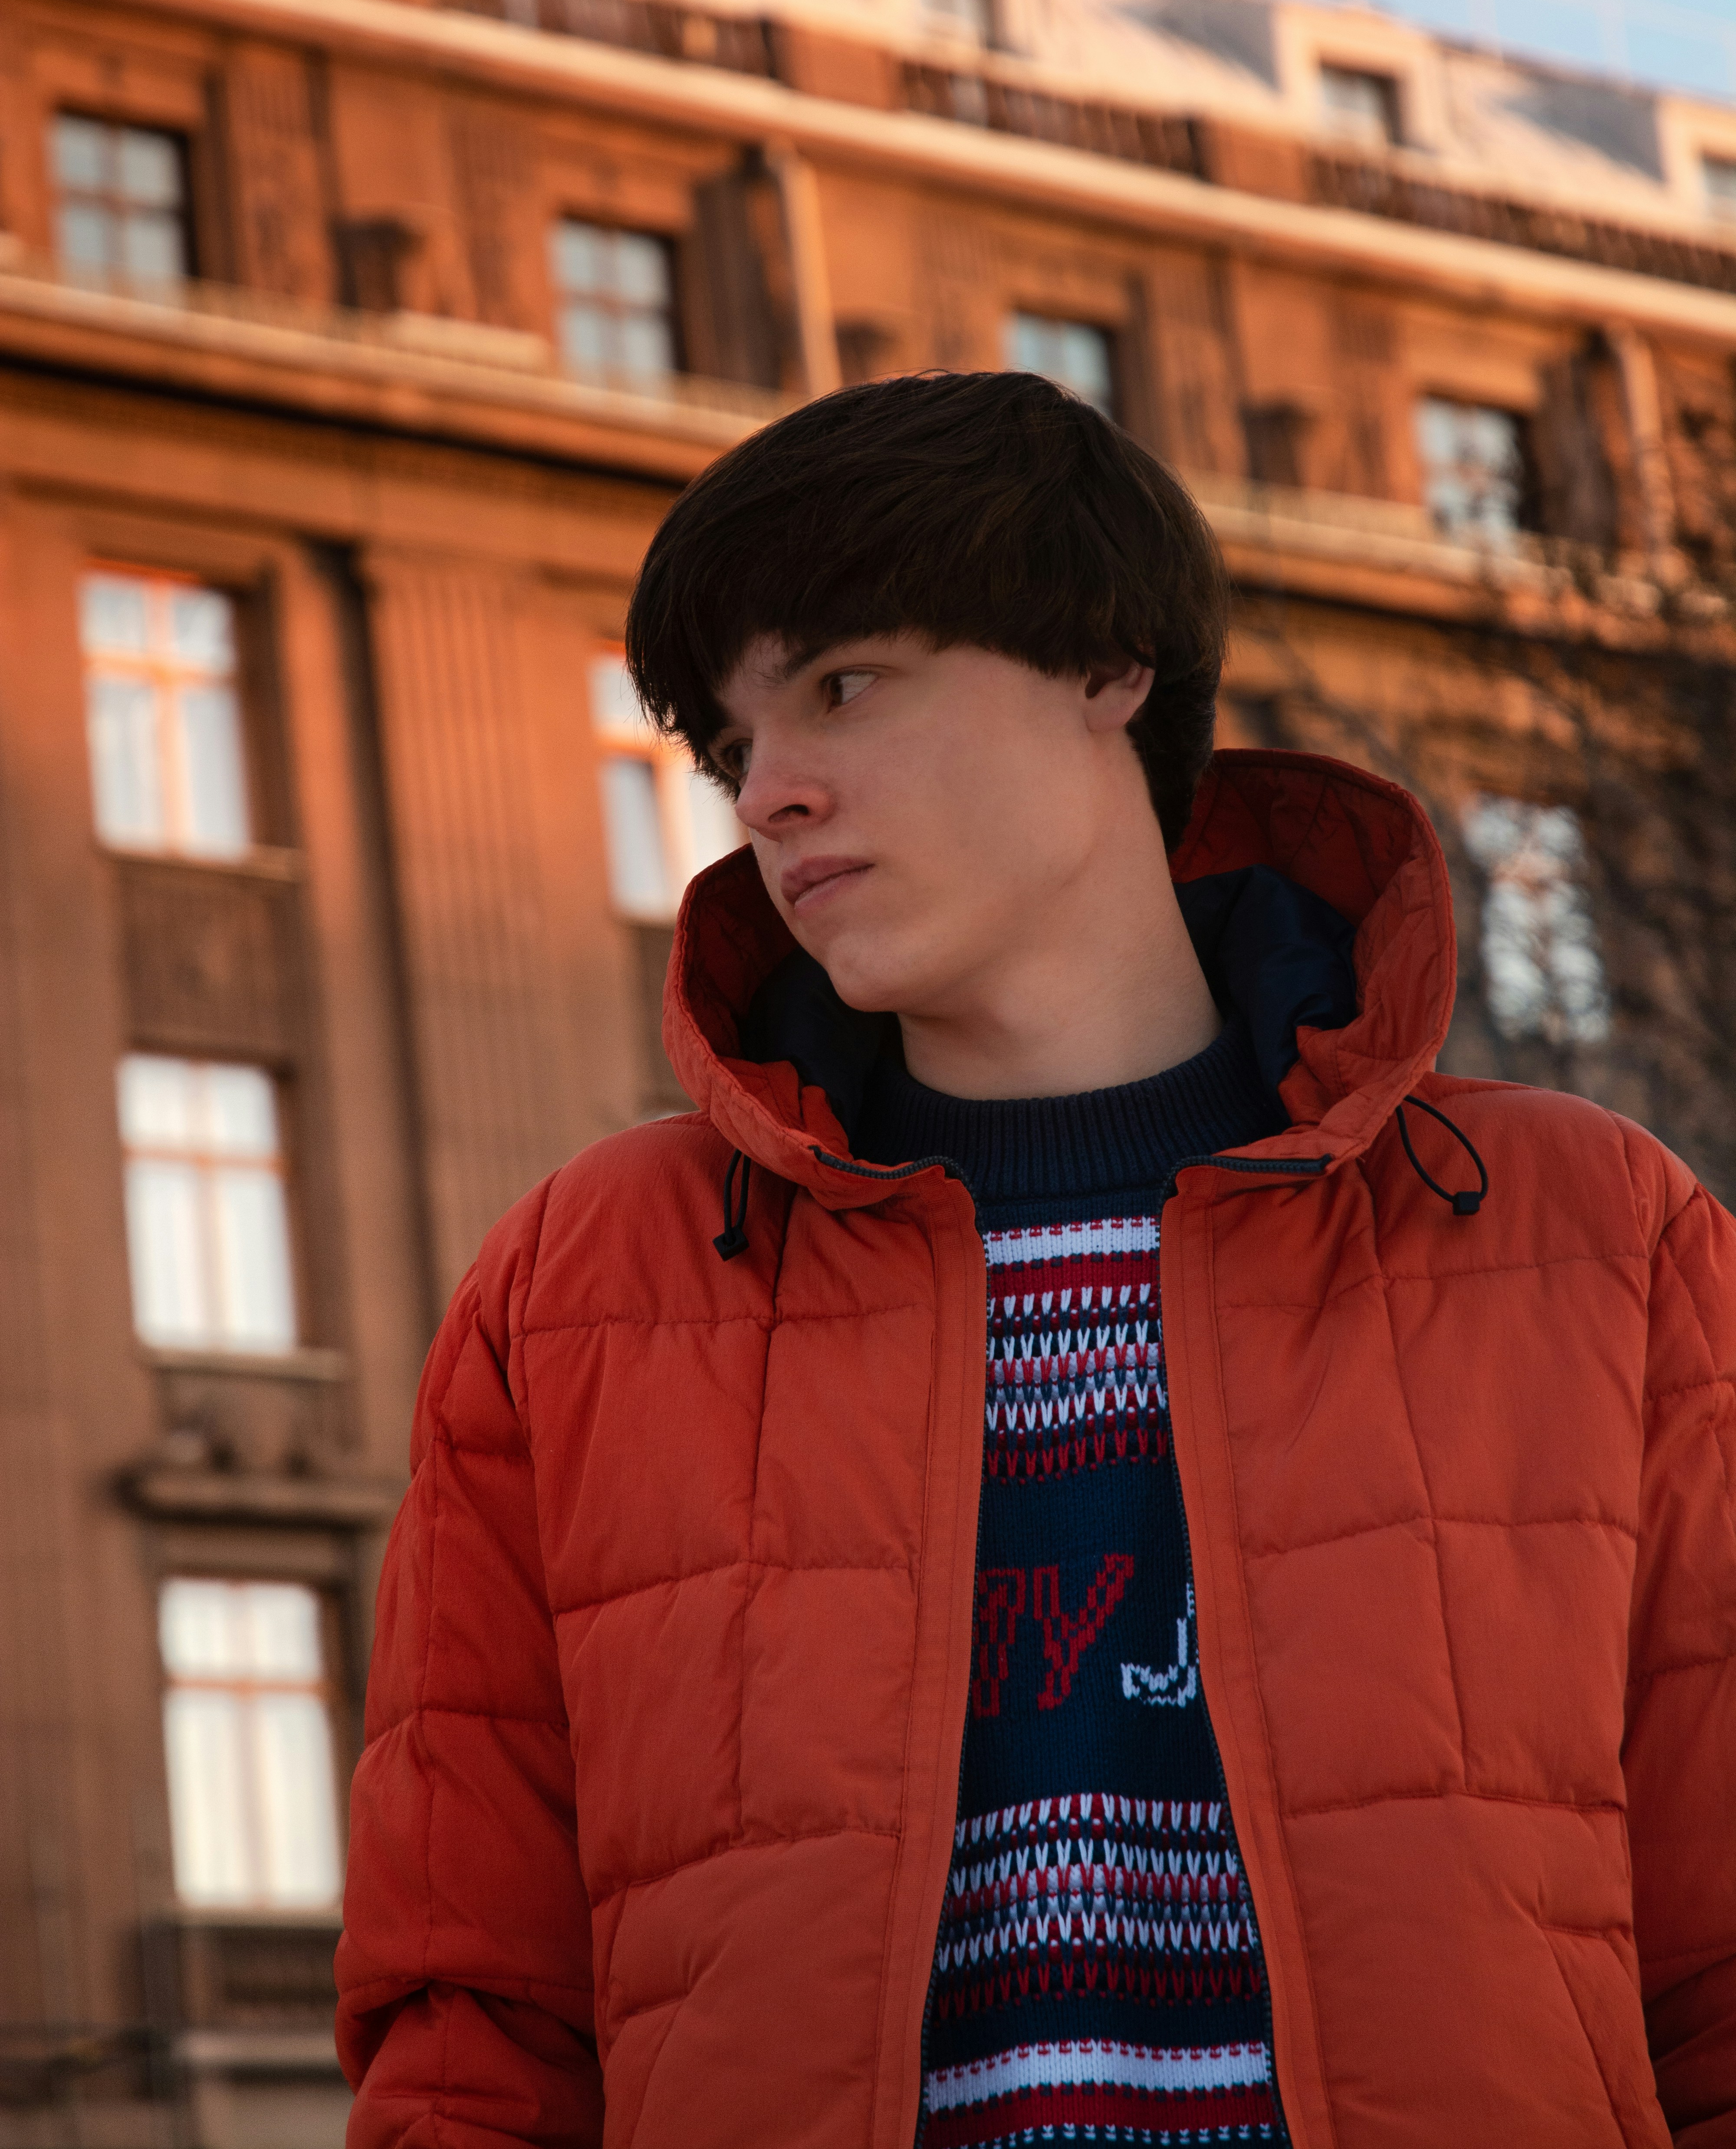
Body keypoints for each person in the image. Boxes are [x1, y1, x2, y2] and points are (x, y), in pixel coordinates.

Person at [336, 370, 1736, 2149]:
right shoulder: (582, 1290)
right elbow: (474, 2024)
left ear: (1107, 666)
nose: (769, 791)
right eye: (729, 743)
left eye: (844, 683)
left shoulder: (1589, 1236)